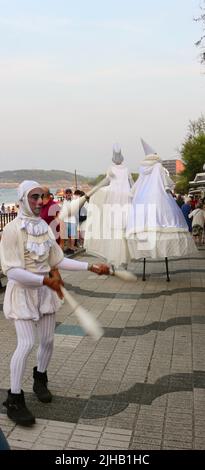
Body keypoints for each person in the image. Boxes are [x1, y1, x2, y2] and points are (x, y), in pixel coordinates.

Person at [0, 180, 109, 427]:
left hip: (44, 291)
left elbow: (57, 261)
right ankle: (14, 399)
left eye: (42, 197)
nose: (40, 202)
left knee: (48, 341)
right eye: (34, 197)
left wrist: (90, 267)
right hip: (24, 294)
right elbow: (12, 272)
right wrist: (44, 281)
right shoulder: (13, 229)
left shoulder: (46, 228)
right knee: (27, 343)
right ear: (22, 199)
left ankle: (40, 378)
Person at [126, 139, 197, 259]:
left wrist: (133, 193)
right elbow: (164, 181)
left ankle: (146, 251)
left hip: (142, 198)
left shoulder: (142, 168)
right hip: (158, 196)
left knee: (143, 224)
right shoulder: (158, 165)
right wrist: (168, 190)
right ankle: (164, 251)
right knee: (164, 222)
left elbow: (138, 183)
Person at [84, 144, 133, 267]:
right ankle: (123, 261)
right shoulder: (127, 169)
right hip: (125, 203)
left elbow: (106, 182)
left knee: (113, 232)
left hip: (113, 204)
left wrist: (95, 192)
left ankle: (114, 261)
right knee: (123, 232)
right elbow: (132, 184)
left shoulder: (110, 169)